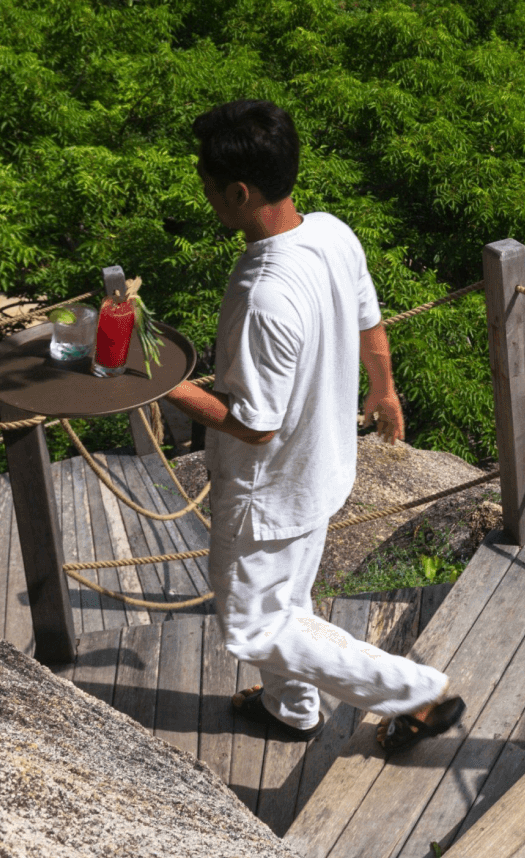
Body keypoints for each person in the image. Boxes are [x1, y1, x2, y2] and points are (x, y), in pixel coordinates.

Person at [164, 99, 464, 750]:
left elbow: (254, 425)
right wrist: (384, 390)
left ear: (239, 192)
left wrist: (160, 386)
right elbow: (368, 318)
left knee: (254, 628)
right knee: (286, 607)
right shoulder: (330, 231)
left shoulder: (262, 290)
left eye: (208, 185)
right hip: (320, 466)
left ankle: (418, 691)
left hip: (267, 491)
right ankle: (291, 708)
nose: (206, 194)